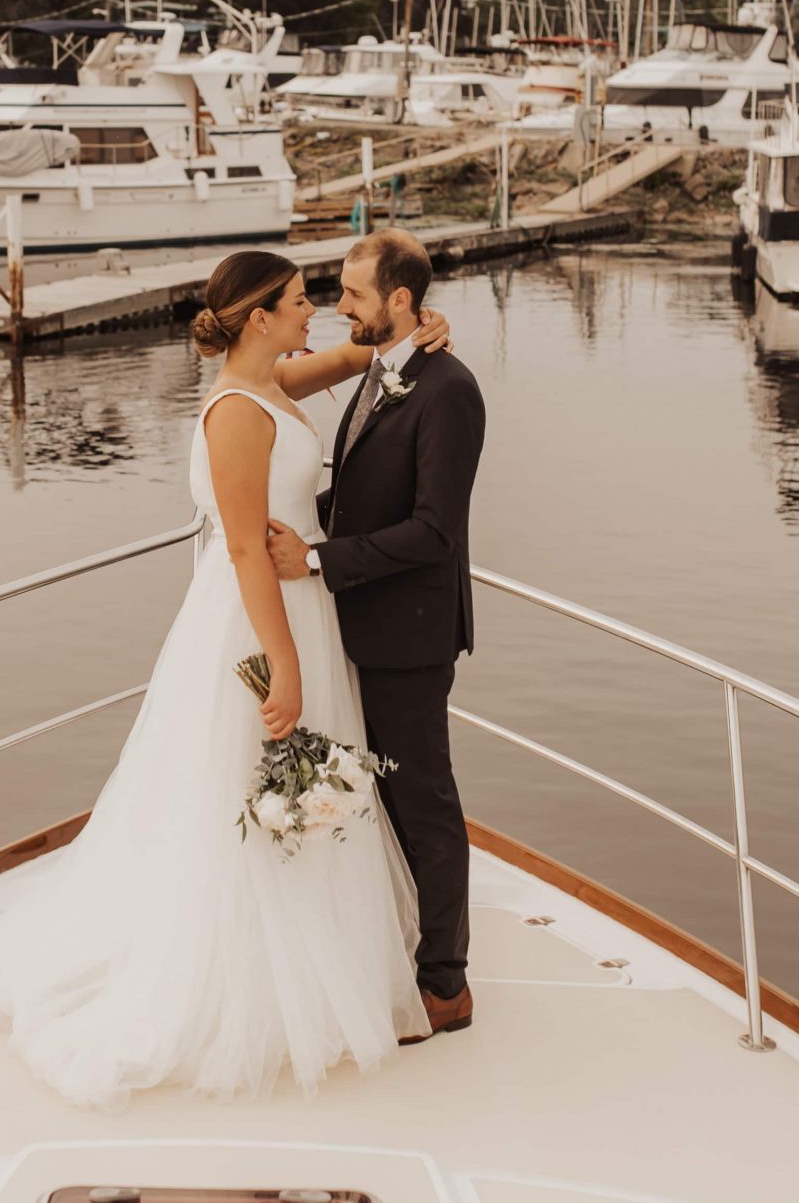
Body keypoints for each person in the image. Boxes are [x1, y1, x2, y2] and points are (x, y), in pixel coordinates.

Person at [0, 250, 453, 1107]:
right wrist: (282, 660)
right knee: (247, 781)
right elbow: (246, 546)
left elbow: (360, 357)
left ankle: (316, 949)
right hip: (257, 616)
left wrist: (419, 332)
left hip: (299, 603)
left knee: (292, 785)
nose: (313, 307)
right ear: (259, 319)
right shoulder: (238, 412)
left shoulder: (276, 380)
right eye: (297, 299)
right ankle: (245, 969)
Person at [268, 228, 483, 1042]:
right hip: (361, 623)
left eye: (354, 293)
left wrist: (318, 559)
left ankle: (446, 985)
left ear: (400, 300)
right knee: (385, 801)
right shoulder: (383, 371)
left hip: (411, 633)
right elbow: (361, 496)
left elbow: (435, 531)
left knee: (423, 802)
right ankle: (403, 951)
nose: (339, 305)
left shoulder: (448, 389)